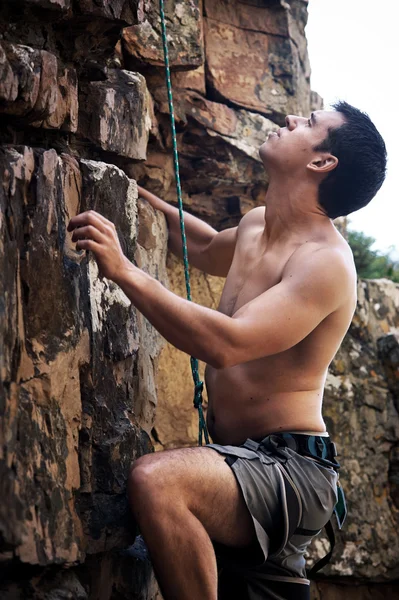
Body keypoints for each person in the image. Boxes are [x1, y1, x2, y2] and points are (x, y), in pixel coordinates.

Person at [67, 101, 387, 600]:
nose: (291, 120)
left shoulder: (324, 263)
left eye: (310, 123)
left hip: (290, 469)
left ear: (322, 162)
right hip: (239, 462)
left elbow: (226, 343)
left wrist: (124, 269)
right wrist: (129, 194)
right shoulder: (259, 225)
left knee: (158, 481)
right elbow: (206, 246)